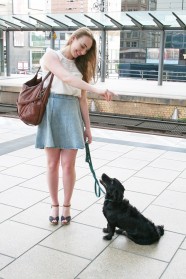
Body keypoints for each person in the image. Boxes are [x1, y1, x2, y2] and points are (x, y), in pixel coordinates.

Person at [35, 27, 115, 226]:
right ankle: (54, 204)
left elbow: (82, 99)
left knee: (68, 165)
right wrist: (98, 89)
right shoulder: (51, 56)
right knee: (52, 164)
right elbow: (66, 78)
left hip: (72, 113)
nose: (82, 52)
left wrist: (88, 128)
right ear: (73, 39)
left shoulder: (81, 66)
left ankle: (67, 205)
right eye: (82, 46)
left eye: (86, 50)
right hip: (52, 110)